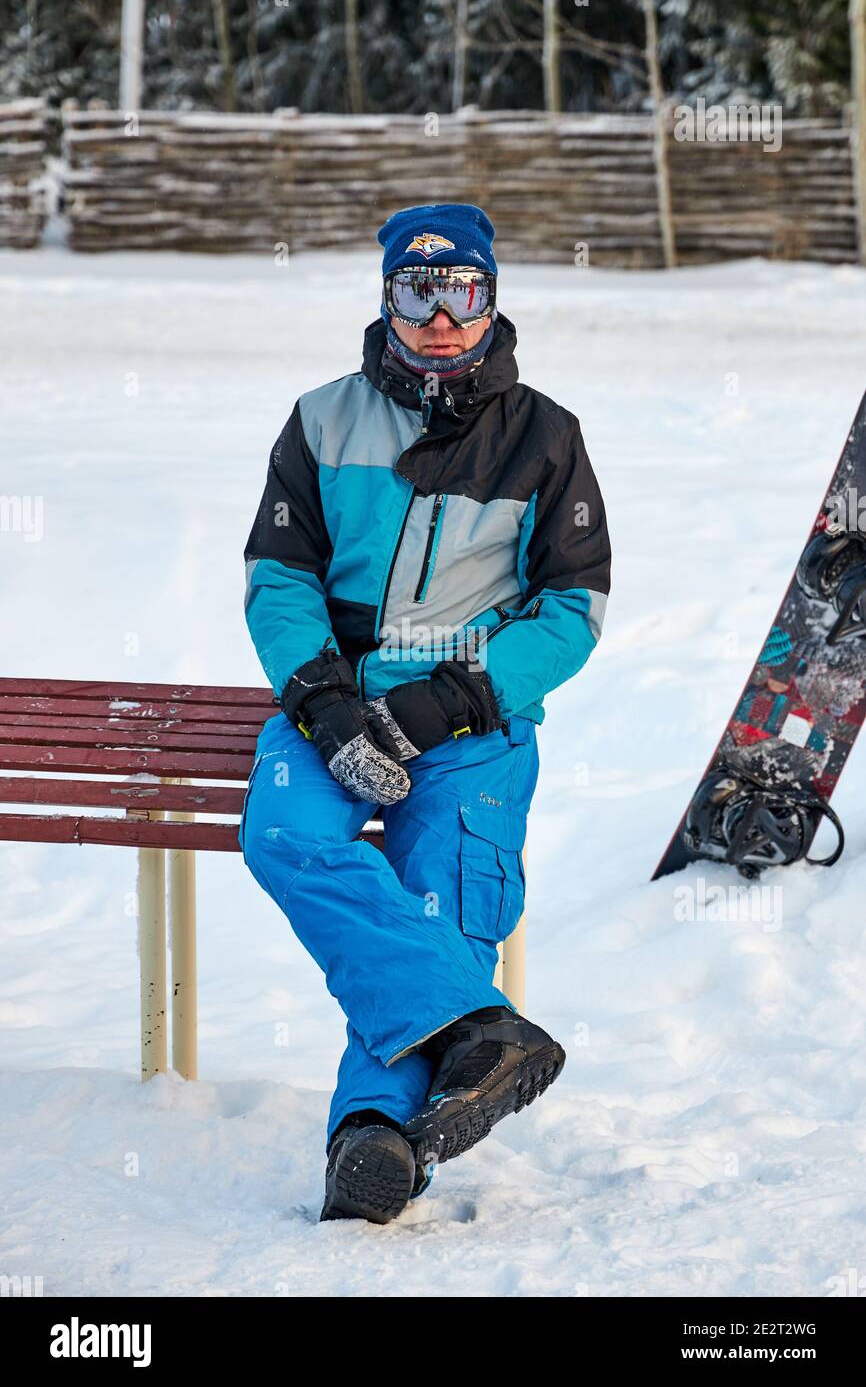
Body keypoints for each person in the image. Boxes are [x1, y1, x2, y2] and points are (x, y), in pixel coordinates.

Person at [241, 203, 611, 1224]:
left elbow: (572, 612)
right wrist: (320, 700)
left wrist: (448, 699)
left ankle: (375, 1137)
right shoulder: (321, 419)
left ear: (490, 298)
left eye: (460, 291)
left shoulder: (545, 436)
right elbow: (279, 577)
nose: (438, 315)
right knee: (282, 836)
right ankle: (479, 1028)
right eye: (417, 289)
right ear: (386, 298)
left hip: (471, 720)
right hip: (337, 700)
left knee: (436, 905)